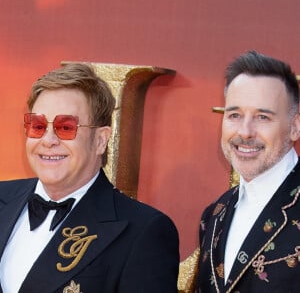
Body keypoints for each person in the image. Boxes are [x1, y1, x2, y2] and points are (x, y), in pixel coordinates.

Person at [0, 63, 179, 293]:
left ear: (100, 140)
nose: (48, 140)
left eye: (66, 127)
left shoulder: (143, 232)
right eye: (38, 126)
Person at [196, 50, 300, 292]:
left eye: (263, 117)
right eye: (234, 115)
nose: (245, 131)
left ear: (295, 127)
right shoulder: (213, 215)